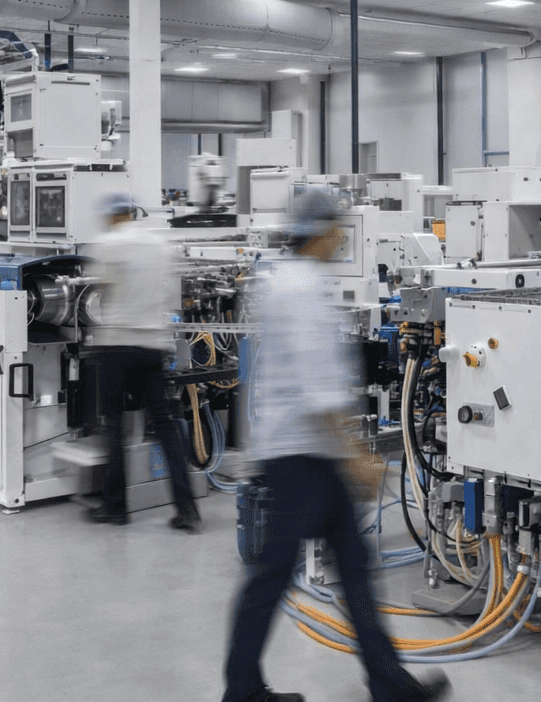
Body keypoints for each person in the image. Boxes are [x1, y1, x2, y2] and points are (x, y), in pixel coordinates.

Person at [221, 189, 450, 702]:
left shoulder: (283, 278)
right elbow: (316, 387)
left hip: (299, 450)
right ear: (320, 232)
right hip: (304, 456)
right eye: (337, 229)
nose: (342, 238)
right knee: (279, 577)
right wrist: (356, 456)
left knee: (348, 569)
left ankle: (386, 683)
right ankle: (243, 690)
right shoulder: (302, 289)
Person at [85, 192, 201, 532]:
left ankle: (116, 508)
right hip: (152, 344)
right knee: (165, 426)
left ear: (112, 216)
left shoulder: (108, 243)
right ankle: (187, 510)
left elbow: (100, 288)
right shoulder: (158, 244)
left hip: (116, 343)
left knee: (114, 426)